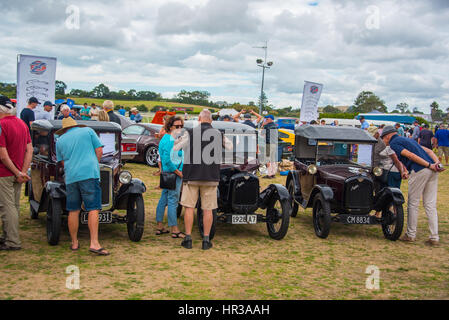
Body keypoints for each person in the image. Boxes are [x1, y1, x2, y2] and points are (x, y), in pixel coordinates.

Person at [175, 109, 232, 250]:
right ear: (211, 120)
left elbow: (176, 148)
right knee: (208, 209)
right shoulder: (219, 134)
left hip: (192, 175)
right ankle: (206, 239)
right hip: (211, 176)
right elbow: (230, 147)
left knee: (189, 207)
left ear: (199, 119)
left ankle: (188, 238)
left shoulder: (190, 132)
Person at [381, 125, 444, 246]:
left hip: (420, 170)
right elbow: (429, 151)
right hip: (431, 171)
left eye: (384, 138)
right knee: (430, 204)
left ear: (388, 136)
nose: (384, 141)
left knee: (413, 203)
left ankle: (410, 234)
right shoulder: (408, 140)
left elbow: (410, 155)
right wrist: (437, 164)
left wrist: (428, 165)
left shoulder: (394, 143)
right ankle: (434, 236)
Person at [55, 117, 109, 255]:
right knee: (93, 208)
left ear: (64, 129)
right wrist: (94, 164)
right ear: (76, 125)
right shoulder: (87, 131)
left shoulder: (60, 140)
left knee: (73, 210)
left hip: (71, 176)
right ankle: (94, 243)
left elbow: (61, 162)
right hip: (89, 173)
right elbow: (99, 151)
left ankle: (74, 242)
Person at [0, 96, 33, 251]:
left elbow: (3, 155)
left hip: (4, 172)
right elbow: (29, 149)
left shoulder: (1, 125)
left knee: (7, 207)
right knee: (13, 205)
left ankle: (12, 241)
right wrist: (22, 171)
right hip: (18, 171)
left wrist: (17, 171)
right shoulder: (21, 123)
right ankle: (8, 236)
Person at [155, 116, 185, 238]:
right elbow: (167, 160)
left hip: (168, 174)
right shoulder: (169, 140)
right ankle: (174, 229)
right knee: (173, 201)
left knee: (164, 198)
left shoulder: (169, 138)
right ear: (170, 126)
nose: (179, 128)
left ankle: (160, 225)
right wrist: (179, 173)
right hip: (172, 174)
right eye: (176, 126)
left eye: (181, 126)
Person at [261, 115, 278, 179]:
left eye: (267, 119)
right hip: (274, 144)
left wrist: (263, 125)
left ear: (271, 119)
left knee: (267, 160)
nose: (266, 120)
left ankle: (269, 174)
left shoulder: (266, 126)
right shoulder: (276, 126)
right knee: (273, 160)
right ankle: (273, 174)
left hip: (268, 144)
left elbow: (262, 134)